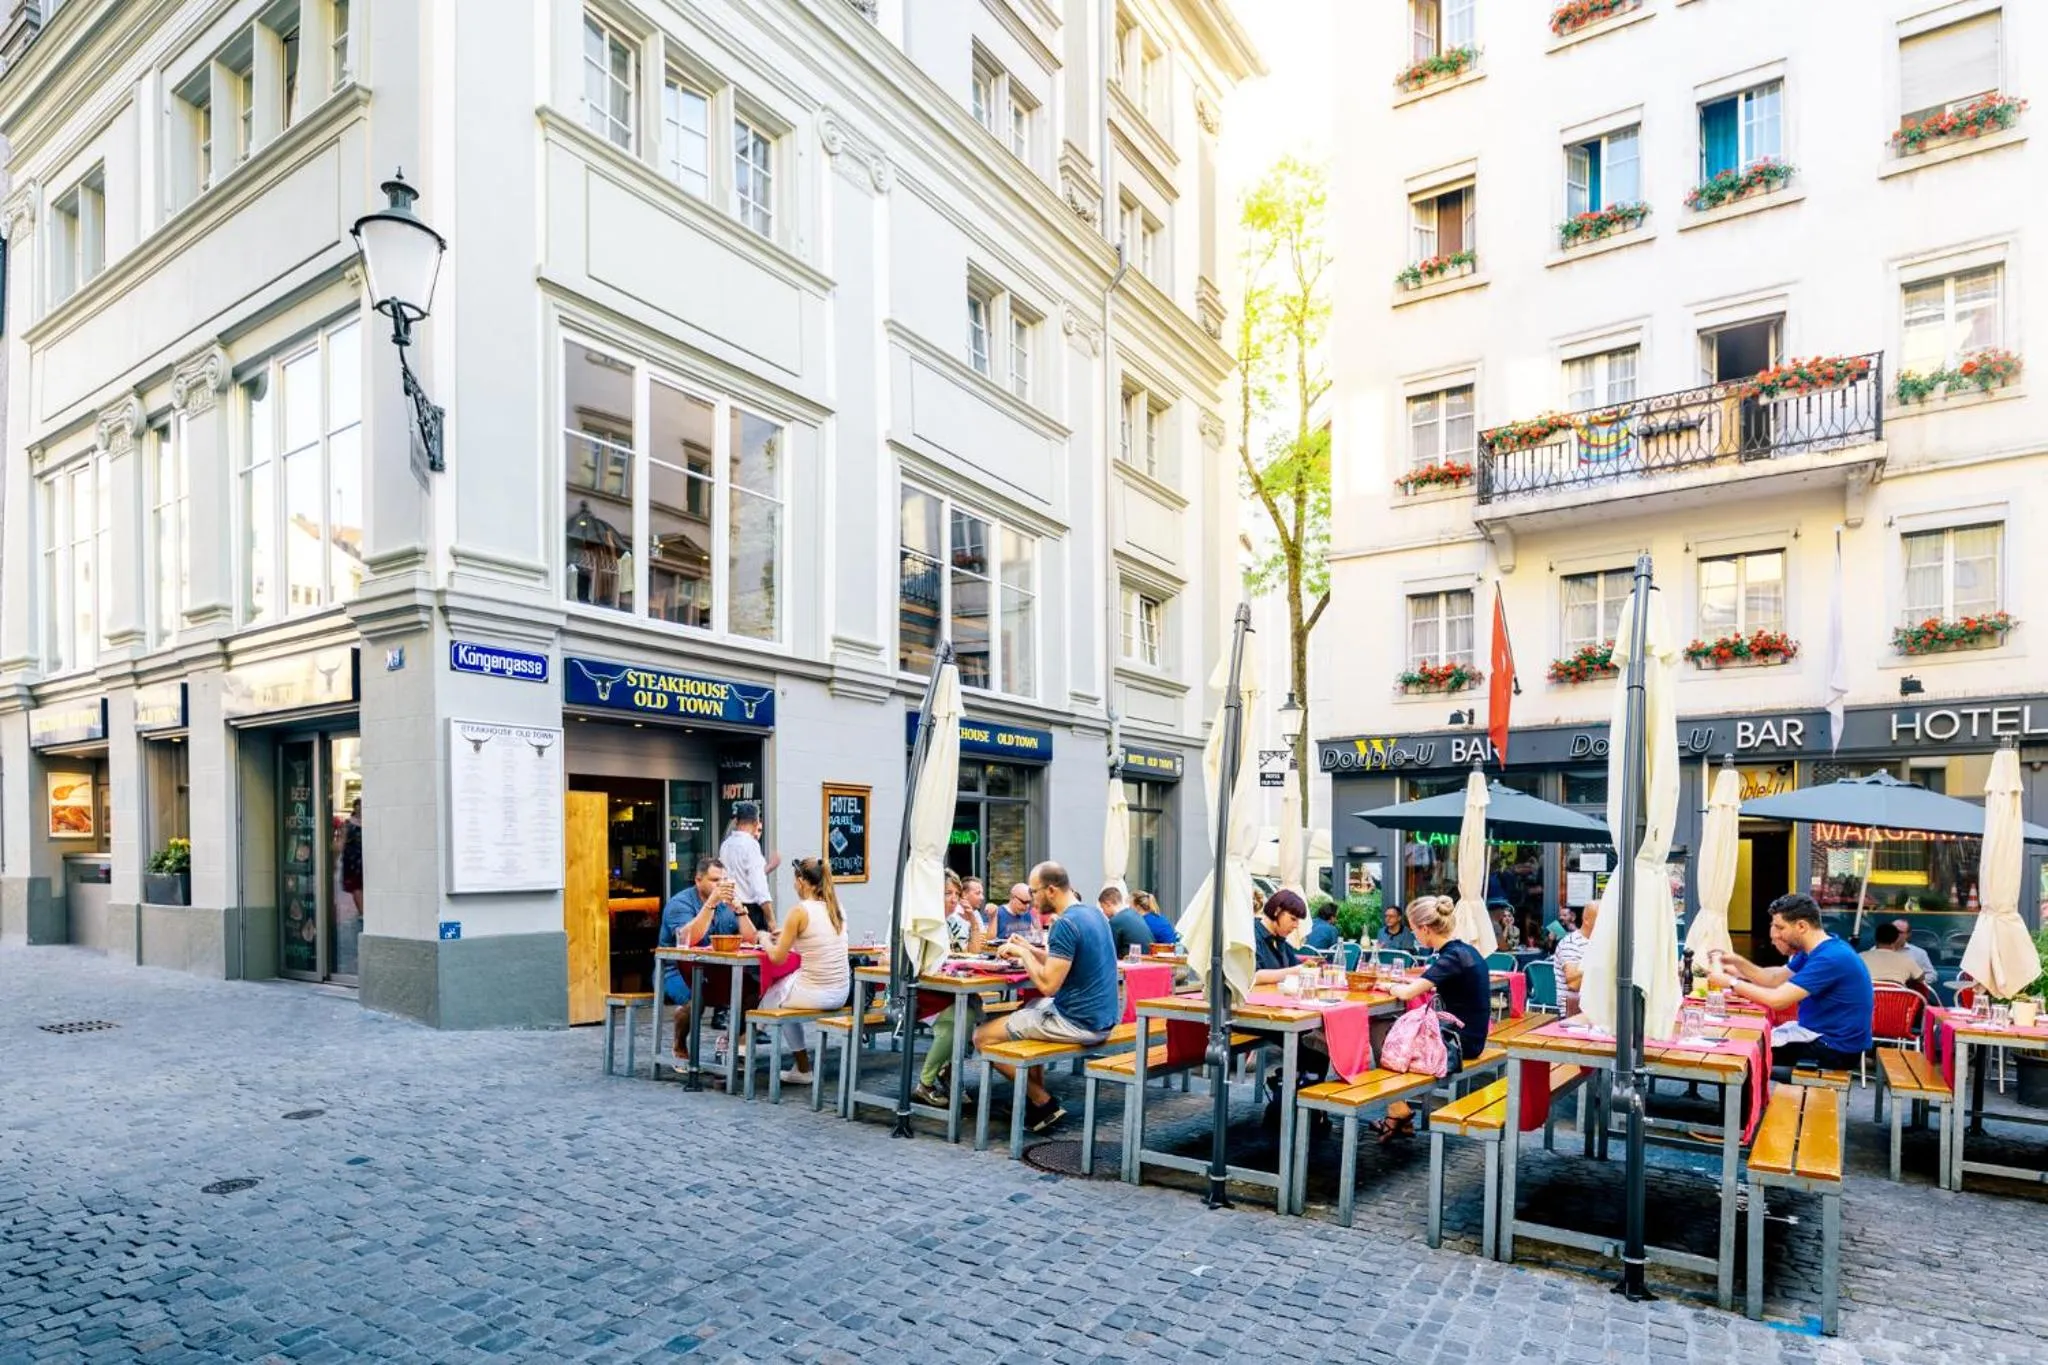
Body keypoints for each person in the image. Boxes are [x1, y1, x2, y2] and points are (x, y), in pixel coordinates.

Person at [975, 861, 1120, 1134]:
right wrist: (1029, 947)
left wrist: (1024, 954)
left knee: (982, 1037)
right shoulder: (1093, 914)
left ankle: (1043, 1102)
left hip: (1079, 1023)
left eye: (1034, 891)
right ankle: (1032, 1100)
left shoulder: (1064, 924)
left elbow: (1048, 985)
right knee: (1030, 1007)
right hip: (1103, 1019)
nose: (1031, 899)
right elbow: (1061, 962)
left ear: (1051, 890)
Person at [1707, 892, 1874, 1072]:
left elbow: (1777, 1000)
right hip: (1822, 1036)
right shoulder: (1819, 948)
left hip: (1833, 1048)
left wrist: (1731, 982)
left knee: (1742, 1053)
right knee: (1746, 1042)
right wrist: (1738, 963)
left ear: (1801, 926)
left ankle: (1741, 1098)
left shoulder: (1830, 958)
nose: (1775, 935)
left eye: (1780, 928)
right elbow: (1774, 978)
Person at [1378, 895, 1492, 1141]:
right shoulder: (1465, 951)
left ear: (1425, 929)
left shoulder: (1451, 957)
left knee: (1384, 1035)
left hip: (1459, 1044)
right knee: (1391, 1033)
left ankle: (1396, 1109)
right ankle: (1397, 1109)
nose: (1414, 934)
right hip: (1471, 1036)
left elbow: (1408, 992)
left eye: (1414, 928)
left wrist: (1386, 986)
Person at [752, 857, 849, 1085]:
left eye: (795, 881)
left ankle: (745, 1043)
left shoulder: (799, 911)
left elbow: (776, 957)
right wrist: (787, 936)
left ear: (802, 881)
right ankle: (800, 1066)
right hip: (841, 992)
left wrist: (764, 937)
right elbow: (815, 941)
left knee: (774, 994)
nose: (794, 886)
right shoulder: (837, 909)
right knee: (781, 994)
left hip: (817, 994)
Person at [911, 872, 989, 1108]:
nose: (954, 899)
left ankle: (948, 1071)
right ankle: (926, 1082)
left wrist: (974, 921)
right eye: (948, 893)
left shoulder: (953, 922)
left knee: (974, 1009)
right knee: (960, 1017)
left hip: (948, 990)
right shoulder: (921, 924)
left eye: (956, 893)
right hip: (921, 993)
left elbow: (973, 953)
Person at [657, 857, 743, 1057]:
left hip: (713, 968)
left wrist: (741, 911)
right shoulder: (679, 904)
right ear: (698, 880)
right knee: (696, 998)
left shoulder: (724, 906)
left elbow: (748, 937)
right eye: (715, 880)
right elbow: (687, 939)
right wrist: (711, 904)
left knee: (750, 992)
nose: (720, 886)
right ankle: (679, 1044)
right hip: (674, 970)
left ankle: (731, 1045)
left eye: (723, 880)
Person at [718, 802, 779, 934]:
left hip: (728, 909)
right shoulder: (751, 845)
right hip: (750, 911)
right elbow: (760, 886)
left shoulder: (725, 845)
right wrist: (771, 921)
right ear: (756, 822)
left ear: (737, 821)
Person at [1553, 901, 1599, 1014]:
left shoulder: (1601, 942)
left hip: (1598, 1012)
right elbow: (1574, 985)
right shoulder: (1571, 943)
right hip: (1574, 1014)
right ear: (1587, 920)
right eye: (1602, 918)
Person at [1862, 921, 1934, 989]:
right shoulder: (1906, 960)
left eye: (1900, 932)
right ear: (1895, 939)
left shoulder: (1860, 958)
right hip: (1900, 1000)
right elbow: (1921, 978)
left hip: (1870, 999)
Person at [1099, 884, 1155, 958]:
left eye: (1103, 908)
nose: (1103, 912)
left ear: (1108, 904)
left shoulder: (1115, 921)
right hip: (1147, 961)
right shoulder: (1135, 914)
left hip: (1130, 963)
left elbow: (1110, 952)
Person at [1892, 919, 1939, 984]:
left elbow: (1932, 975)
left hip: (1908, 991)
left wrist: (1914, 981)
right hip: (1880, 991)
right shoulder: (1876, 951)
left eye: (1899, 932)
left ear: (1908, 934)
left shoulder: (1919, 953)